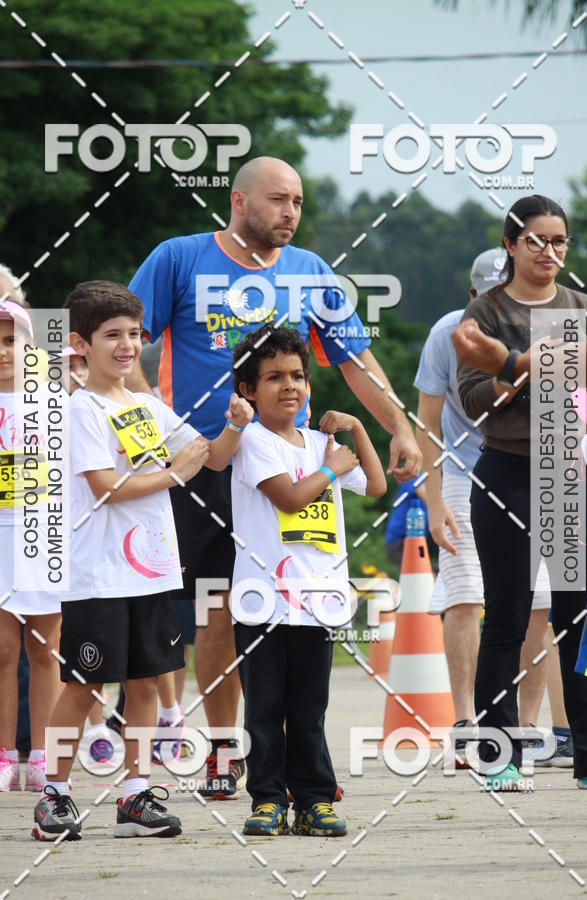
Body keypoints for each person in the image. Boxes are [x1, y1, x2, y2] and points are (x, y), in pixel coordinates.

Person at [126, 156, 421, 799]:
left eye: (299, 201)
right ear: (238, 201)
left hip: (292, 467)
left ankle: (297, 761)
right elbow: (120, 343)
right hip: (209, 463)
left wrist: (400, 425)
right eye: (279, 199)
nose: (291, 212)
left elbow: (356, 360)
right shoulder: (179, 258)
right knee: (216, 611)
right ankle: (226, 752)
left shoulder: (312, 271)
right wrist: (157, 432)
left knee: (297, 612)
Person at [32, 281, 253, 841]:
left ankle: (134, 792)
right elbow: (106, 486)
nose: (127, 346)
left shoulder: (147, 406)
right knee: (85, 685)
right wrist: (174, 472)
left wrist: (234, 425)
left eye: (134, 334)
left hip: (151, 572)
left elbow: (210, 460)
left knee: (148, 683)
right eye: (113, 336)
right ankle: (54, 795)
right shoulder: (81, 409)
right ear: (80, 343)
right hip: (98, 575)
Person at [455, 194, 587, 791]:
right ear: (511, 244)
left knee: (576, 618)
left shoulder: (583, 306)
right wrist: (524, 371)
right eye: (537, 240)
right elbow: (472, 400)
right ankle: (501, 754)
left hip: (569, 475)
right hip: (508, 473)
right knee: (508, 617)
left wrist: (516, 366)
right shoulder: (484, 312)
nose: (550, 252)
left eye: (559, 241)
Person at [230, 324, 386, 836]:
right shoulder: (254, 442)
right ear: (248, 390)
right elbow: (292, 498)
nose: (290, 386)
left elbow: (378, 485)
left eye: (298, 375)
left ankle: (315, 799)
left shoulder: (323, 442)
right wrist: (332, 466)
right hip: (263, 604)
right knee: (265, 709)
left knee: (308, 709)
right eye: (274, 377)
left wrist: (357, 433)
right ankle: (267, 799)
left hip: (316, 604)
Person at [414, 248, 553, 758]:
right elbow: (425, 422)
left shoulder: (549, 327)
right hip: (463, 473)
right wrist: (432, 500)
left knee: (539, 605)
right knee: (468, 597)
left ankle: (525, 725)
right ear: (472, 299)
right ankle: (467, 721)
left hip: (537, 475)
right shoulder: (446, 334)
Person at [0, 302, 62, 792]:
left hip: (42, 534)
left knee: (46, 651)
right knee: (3, 651)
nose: (2, 352)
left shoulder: (52, 403)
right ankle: (4, 757)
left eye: (10, 340)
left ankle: (42, 755)